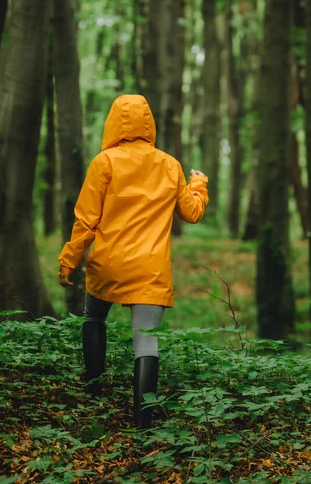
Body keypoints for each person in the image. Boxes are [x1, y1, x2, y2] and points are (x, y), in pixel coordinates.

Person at [58, 94, 208, 429]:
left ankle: (94, 392)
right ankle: (143, 425)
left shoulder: (104, 162)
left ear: (112, 122)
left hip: (109, 262)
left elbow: (85, 220)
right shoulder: (169, 164)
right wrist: (199, 182)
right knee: (147, 342)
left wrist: (69, 260)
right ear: (149, 124)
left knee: (93, 318)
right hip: (150, 268)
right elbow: (192, 212)